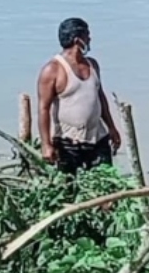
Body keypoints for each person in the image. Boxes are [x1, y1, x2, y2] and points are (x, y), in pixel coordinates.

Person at [36, 17, 122, 175]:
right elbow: (43, 109)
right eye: (87, 35)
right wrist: (46, 144)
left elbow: (100, 98)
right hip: (68, 142)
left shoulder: (92, 65)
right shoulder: (52, 70)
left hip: (98, 137)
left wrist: (111, 127)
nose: (90, 39)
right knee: (69, 188)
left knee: (106, 184)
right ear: (78, 40)